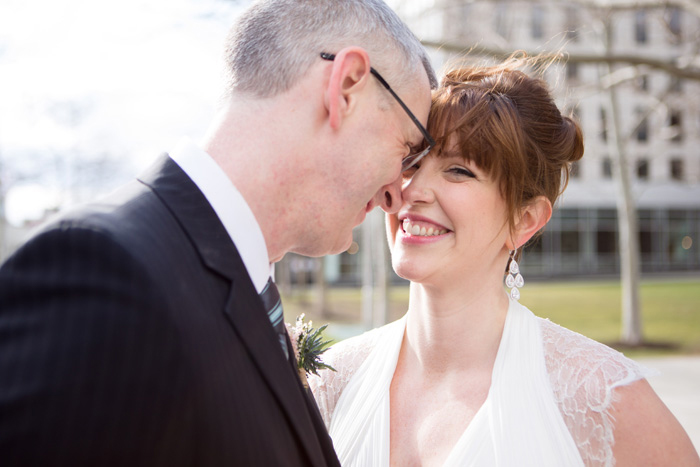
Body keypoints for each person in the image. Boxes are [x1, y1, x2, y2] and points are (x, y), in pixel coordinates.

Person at [0, 0, 437, 465]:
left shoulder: (239, 287)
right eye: (409, 149)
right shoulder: (103, 273)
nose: (397, 192)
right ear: (346, 86)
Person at [310, 56, 700, 466]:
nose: (413, 190)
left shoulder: (600, 397)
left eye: (458, 170)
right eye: (411, 161)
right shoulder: (332, 380)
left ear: (524, 220)